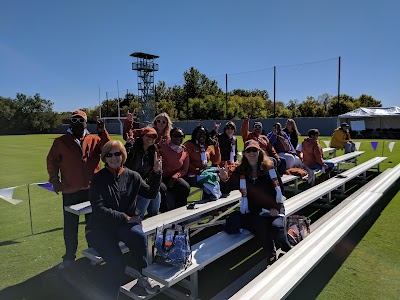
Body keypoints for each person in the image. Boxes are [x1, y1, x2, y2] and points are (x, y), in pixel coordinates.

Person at [86, 140, 162, 298]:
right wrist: (126, 217)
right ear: (104, 158)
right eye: (109, 155)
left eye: (117, 153)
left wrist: (156, 173)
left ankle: (143, 276)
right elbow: (99, 210)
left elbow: (150, 194)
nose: (114, 158)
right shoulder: (98, 179)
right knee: (117, 263)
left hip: (122, 225)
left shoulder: (132, 176)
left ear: (123, 155)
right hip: (100, 228)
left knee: (139, 236)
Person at [46, 110, 110, 270]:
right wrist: (54, 179)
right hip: (70, 190)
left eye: (80, 120)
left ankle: (93, 253)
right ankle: (69, 257)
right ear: (70, 123)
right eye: (73, 120)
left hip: (92, 189)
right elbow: (51, 161)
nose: (77, 123)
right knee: (70, 225)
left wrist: (103, 133)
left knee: (93, 224)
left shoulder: (94, 139)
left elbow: (109, 150)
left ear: (86, 122)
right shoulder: (61, 141)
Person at [218, 140, 291, 264]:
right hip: (255, 210)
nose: (251, 153)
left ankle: (287, 248)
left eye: (254, 150)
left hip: (274, 208)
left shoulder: (270, 169)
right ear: (244, 154)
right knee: (260, 225)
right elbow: (226, 189)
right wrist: (224, 179)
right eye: (248, 151)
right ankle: (270, 252)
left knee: (277, 228)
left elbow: (280, 190)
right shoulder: (240, 171)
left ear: (259, 152)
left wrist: (276, 209)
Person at [124, 127, 161, 219]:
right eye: (148, 136)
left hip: (142, 182)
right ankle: (139, 219)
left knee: (156, 193)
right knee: (147, 195)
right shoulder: (133, 148)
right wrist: (128, 146)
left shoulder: (152, 152)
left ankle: (153, 218)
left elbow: (152, 172)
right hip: (130, 182)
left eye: (153, 137)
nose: (151, 139)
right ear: (142, 137)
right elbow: (123, 162)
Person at [158, 127, 190, 210]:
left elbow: (184, 170)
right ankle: (164, 212)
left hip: (173, 177)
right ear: (171, 137)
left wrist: (174, 177)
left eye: (181, 136)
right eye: (175, 136)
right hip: (160, 176)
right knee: (162, 189)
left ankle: (180, 212)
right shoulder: (163, 147)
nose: (178, 138)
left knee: (185, 187)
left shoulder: (184, 151)